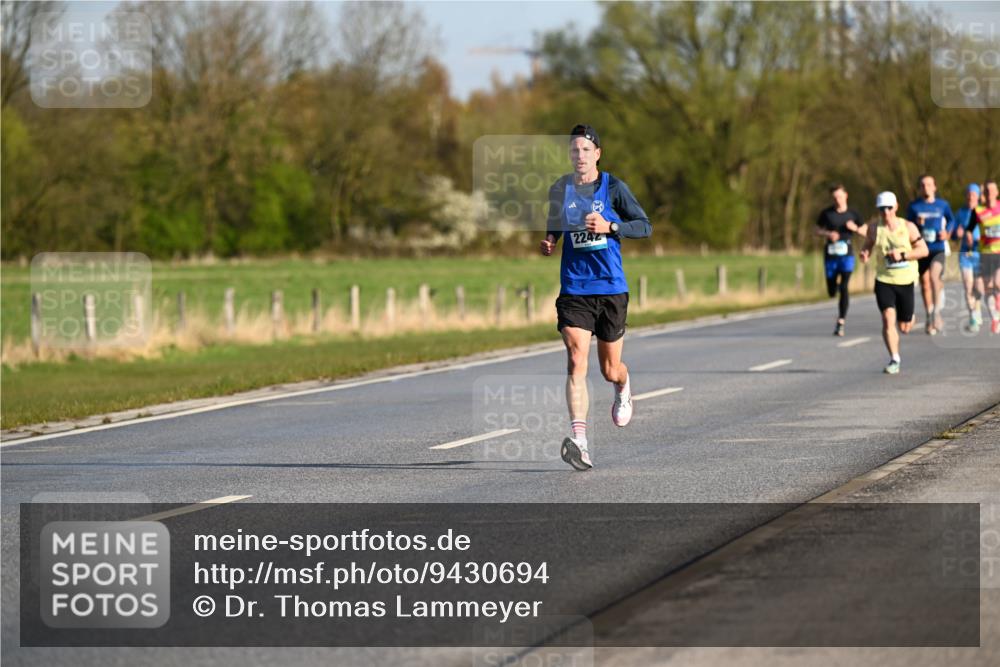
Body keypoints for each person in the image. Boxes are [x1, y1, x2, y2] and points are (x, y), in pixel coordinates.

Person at [540, 124, 652, 470]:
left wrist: (611, 227)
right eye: (574, 150)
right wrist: (550, 240)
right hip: (575, 287)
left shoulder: (614, 188)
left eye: (586, 150)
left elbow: (644, 225)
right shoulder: (560, 189)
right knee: (576, 359)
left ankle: (623, 383)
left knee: (608, 369)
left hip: (611, 288)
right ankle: (580, 442)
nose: (580, 156)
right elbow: (555, 221)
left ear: (597, 154)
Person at [860, 191, 929, 374]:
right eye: (882, 209)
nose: (886, 212)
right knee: (887, 319)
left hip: (905, 280)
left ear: (896, 207)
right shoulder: (874, 228)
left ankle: (909, 317)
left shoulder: (908, 227)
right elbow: (868, 242)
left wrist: (903, 255)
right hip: (884, 280)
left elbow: (923, 250)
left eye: (889, 208)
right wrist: (865, 252)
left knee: (904, 327)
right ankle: (894, 358)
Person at [905, 174, 954, 334]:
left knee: (934, 278)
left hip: (937, 248)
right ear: (919, 188)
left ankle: (936, 315)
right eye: (923, 185)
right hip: (921, 249)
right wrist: (917, 225)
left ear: (934, 187)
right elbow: (907, 227)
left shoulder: (942, 205)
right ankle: (929, 314)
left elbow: (952, 220)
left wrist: (946, 233)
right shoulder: (914, 207)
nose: (926, 188)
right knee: (925, 283)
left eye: (929, 185)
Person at [814, 183, 865, 336]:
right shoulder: (826, 213)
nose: (838, 200)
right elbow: (816, 230)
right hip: (830, 255)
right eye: (835, 197)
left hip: (847, 255)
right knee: (832, 291)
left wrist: (855, 228)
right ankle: (833, 289)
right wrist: (827, 234)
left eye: (840, 196)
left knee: (844, 287)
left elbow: (866, 231)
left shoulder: (853, 213)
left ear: (846, 195)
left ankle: (841, 321)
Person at [966, 180, 1000, 334]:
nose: (989, 193)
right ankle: (995, 317)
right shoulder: (978, 211)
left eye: (991, 191)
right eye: (986, 191)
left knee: (997, 282)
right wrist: (968, 238)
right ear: (983, 194)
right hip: (985, 254)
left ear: (997, 192)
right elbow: (969, 229)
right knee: (985, 288)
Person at [952, 183, 985, 332]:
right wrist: (956, 234)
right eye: (968, 194)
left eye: (973, 194)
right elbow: (952, 233)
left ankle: (977, 308)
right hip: (965, 253)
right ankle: (973, 317)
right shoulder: (960, 213)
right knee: (967, 285)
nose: (970, 197)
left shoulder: (984, 212)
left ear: (978, 197)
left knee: (979, 288)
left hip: (981, 253)